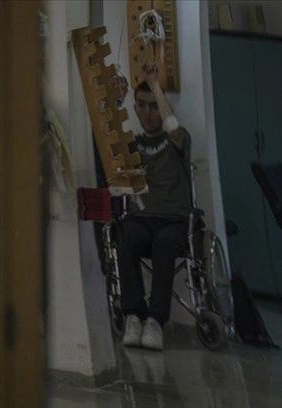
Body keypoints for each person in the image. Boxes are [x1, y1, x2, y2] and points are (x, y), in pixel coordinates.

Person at [118, 60, 192, 351]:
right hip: (141, 218)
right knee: (125, 239)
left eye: (153, 106)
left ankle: (155, 322)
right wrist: (117, 99)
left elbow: (171, 125)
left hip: (173, 220)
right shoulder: (132, 146)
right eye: (142, 106)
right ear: (135, 108)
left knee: (164, 244)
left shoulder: (177, 140)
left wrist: (154, 83)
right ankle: (133, 316)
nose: (148, 112)